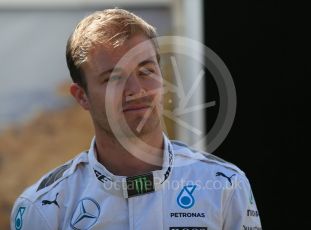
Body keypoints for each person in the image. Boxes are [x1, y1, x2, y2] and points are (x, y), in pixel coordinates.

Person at [11, 8, 262, 230]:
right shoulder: (41, 207)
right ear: (81, 96)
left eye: (146, 71)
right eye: (113, 78)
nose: (136, 90)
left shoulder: (226, 187)